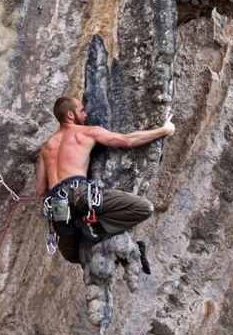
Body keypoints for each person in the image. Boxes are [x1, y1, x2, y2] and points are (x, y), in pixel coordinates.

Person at [36, 96, 175, 266]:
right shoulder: (85, 132)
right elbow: (127, 140)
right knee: (143, 208)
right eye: (81, 110)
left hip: (58, 206)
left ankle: (82, 226)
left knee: (72, 255)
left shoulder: (46, 147)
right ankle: (94, 227)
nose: (85, 114)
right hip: (80, 194)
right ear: (71, 114)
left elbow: (41, 189)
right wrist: (163, 131)